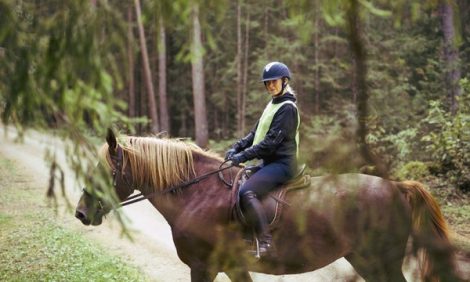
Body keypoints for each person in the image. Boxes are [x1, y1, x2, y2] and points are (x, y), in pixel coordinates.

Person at [225, 61, 300, 257]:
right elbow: (255, 133)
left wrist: (243, 156)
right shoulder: (273, 104)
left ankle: (266, 242)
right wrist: (237, 147)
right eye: (267, 83)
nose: (270, 86)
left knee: (247, 191)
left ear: (284, 81)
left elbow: (270, 143)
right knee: (237, 181)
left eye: (274, 82)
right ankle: (247, 237)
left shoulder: (287, 108)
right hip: (270, 163)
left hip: (283, 165)